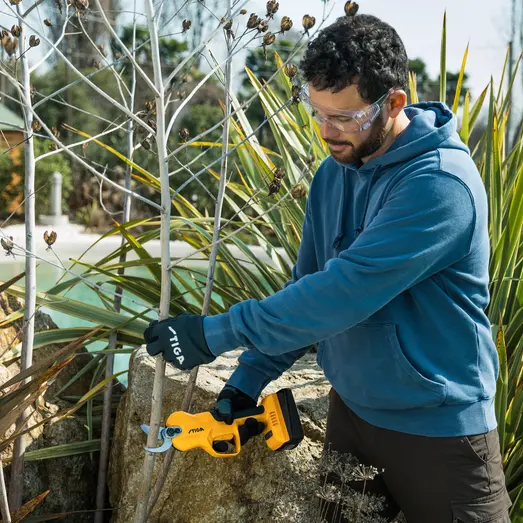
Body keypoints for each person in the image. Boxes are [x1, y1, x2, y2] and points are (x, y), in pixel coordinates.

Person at [143, 12, 512, 523]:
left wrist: (216, 332)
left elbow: (343, 292)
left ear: (394, 103)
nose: (325, 132)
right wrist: (246, 381)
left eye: (343, 118)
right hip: (353, 417)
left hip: (441, 433)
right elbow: (308, 288)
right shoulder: (334, 172)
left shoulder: (440, 185)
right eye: (316, 113)